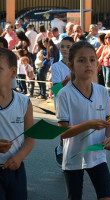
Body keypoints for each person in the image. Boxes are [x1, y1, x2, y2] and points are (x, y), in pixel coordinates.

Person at [56, 41, 110, 200]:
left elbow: (108, 123)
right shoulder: (64, 94)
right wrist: (88, 125)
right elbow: (63, 133)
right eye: (81, 60)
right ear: (71, 66)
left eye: (92, 59)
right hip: (73, 157)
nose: (88, 64)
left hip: (98, 156)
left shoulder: (102, 91)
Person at [0, 47, 35, 200]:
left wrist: (20, 156)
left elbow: (30, 137)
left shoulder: (24, 102)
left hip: (16, 169)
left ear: (13, 73)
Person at [52, 37, 75, 165]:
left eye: (68, 47)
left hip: (76, 101)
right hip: (62, 102)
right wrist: (67, 80)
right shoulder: (56, 67)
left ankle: (65, 150)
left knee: (75, 129)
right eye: (63, 47)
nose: (65, 50)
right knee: (65, 129)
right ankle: (62, 150)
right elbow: (56, 89)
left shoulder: (78, 65)